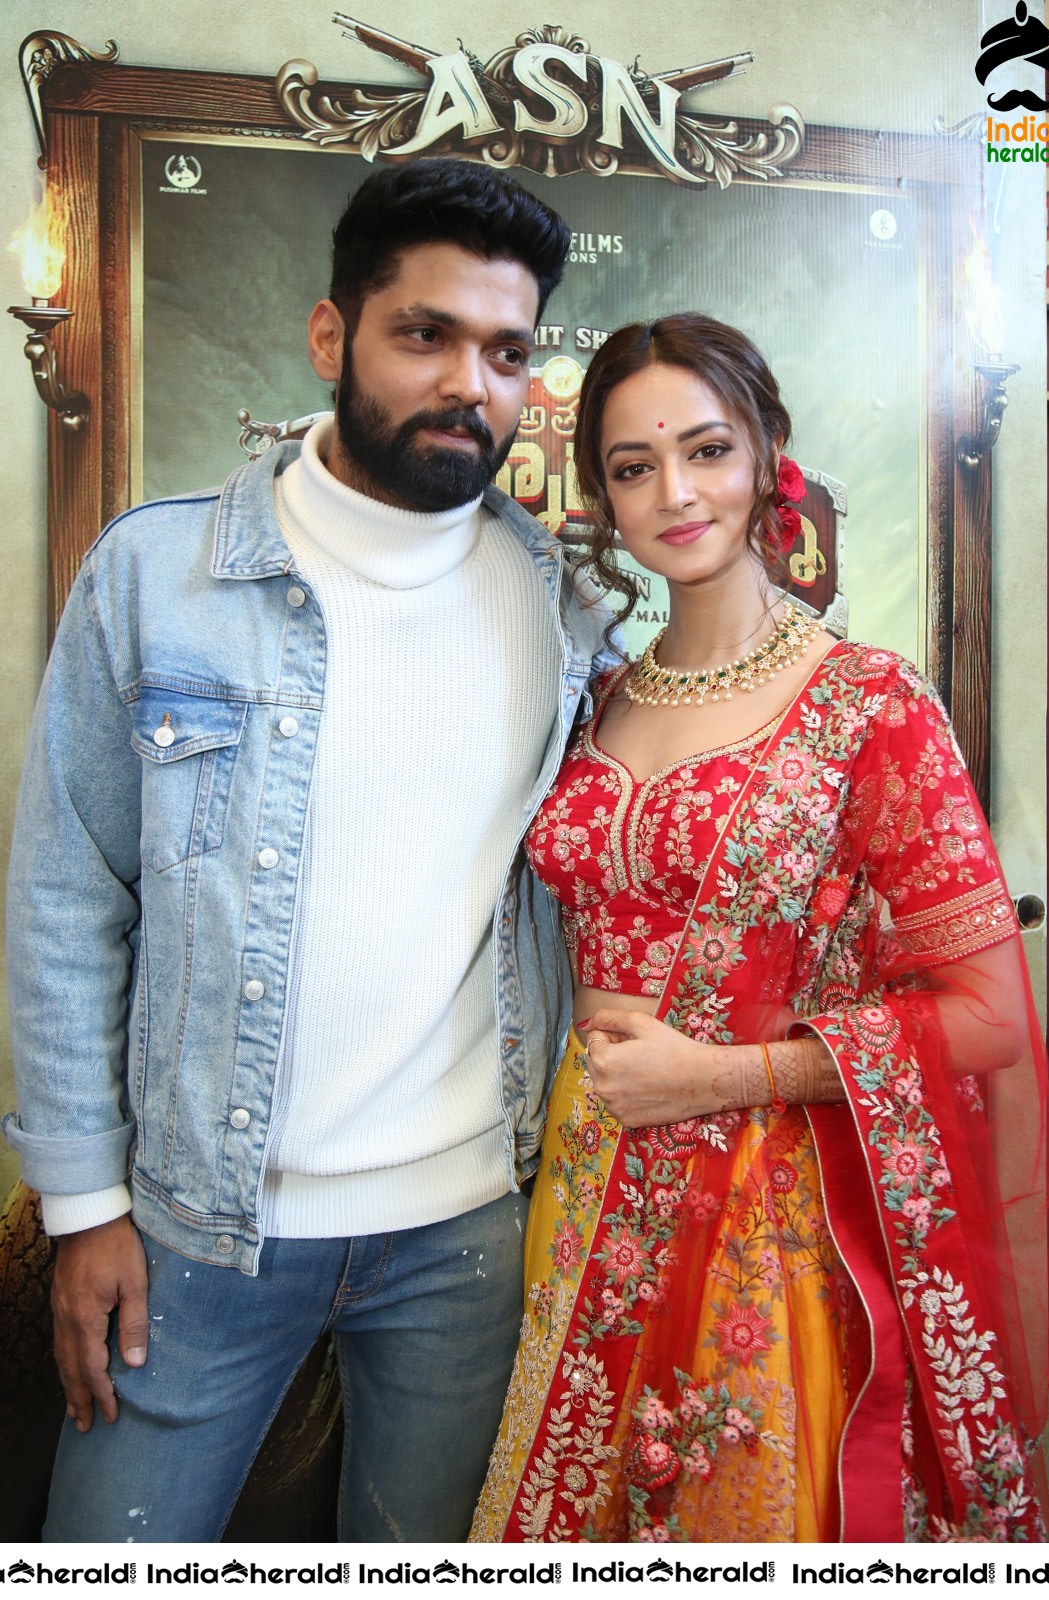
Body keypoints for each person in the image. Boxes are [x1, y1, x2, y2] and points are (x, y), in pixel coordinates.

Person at [3, 157, 615, 1543]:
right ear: (332, 335)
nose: (468, 383)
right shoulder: (155, 577)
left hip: (470, 1233)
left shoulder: (564, 608)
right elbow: (63, 901)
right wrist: (84, 1207)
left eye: (504, 351)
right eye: (424, 334)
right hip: (197, 1228)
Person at [472, 313, 1049, 1543]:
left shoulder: (867, 704)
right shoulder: (591, 699)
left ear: (765, 456)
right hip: (580, 1182)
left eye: (706, 450)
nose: (675, 494)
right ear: (601, 498)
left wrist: (721, 1075)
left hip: (767, 1215)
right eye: (633, 466)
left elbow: (989, 1021)